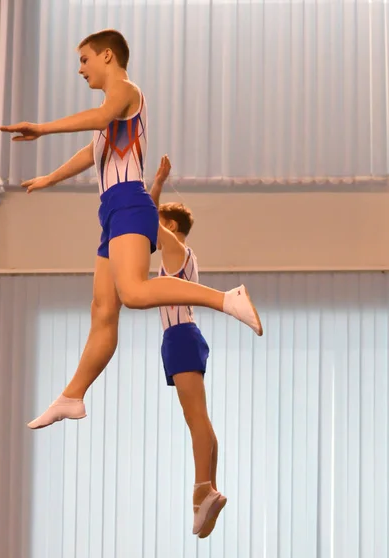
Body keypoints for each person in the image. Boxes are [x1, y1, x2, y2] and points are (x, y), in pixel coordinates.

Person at [0, 29, 263, 430]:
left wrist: (43, 128)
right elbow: (93, 152)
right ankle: (72, 395)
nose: (80, 69)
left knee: (135, 293)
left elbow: (101, 119)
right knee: (103, 313)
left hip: (129, 204)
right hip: (112, 211)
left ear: (107, 56)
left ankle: (227, 299)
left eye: (84, 59)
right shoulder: (111, 113)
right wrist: (50, 178)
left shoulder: (124, 90)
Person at [149, 155, 226, 538]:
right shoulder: (182, 257)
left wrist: (158, 183)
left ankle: (202, 492)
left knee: (195, 419)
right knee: (202, 419)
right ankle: (207, 489)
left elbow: (145, 217)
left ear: (172, 226)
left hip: (179, 335)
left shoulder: (176, 251)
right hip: (184, 336)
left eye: (163, 224)